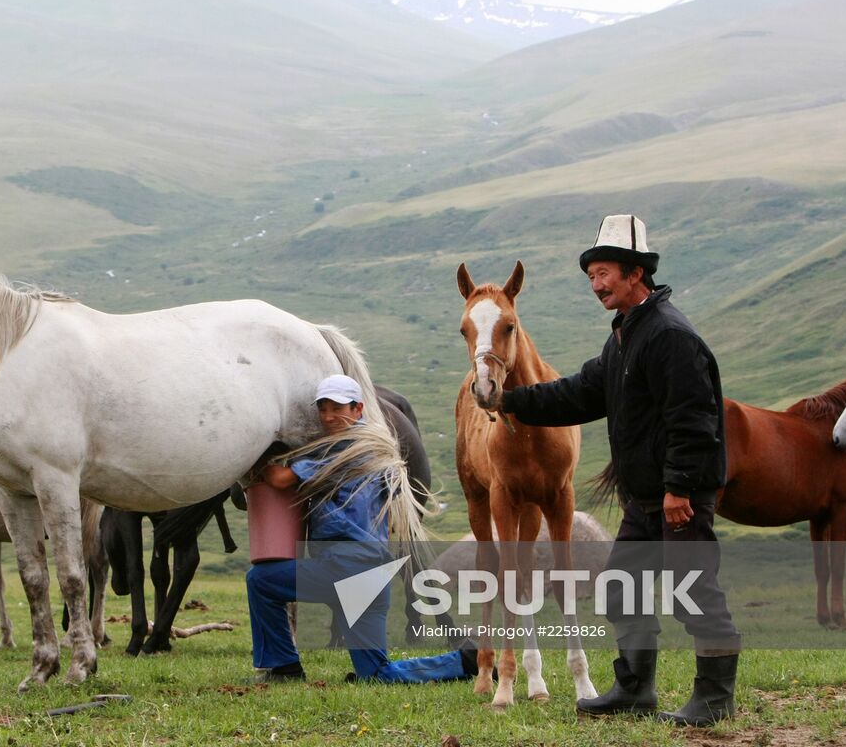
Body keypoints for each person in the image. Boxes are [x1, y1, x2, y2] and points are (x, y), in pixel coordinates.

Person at [475, 214, 740, 727]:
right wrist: (511, 401)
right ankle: (635, 689)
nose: (596, 285)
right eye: (591, 276)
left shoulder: (669, 336)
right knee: (622, 587)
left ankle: (714, 697)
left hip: (677, 494)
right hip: (644, 497)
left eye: (604, 274)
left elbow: (694, 417)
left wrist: (680, 487)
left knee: (695, 590)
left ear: (635, 272)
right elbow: (579, 393)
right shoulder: (625, 335)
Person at [244, 374, 479, 684]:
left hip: (345, 567)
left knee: (261, 581)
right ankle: (465, 661)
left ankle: (283, 666)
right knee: (377, 673)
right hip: (372, 572)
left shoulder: (341, 450)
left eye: (337, 408)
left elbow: (280, 480)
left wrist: (253, 452)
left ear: (358, 409)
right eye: (323, 409)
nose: (328, 417)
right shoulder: (380, 452)